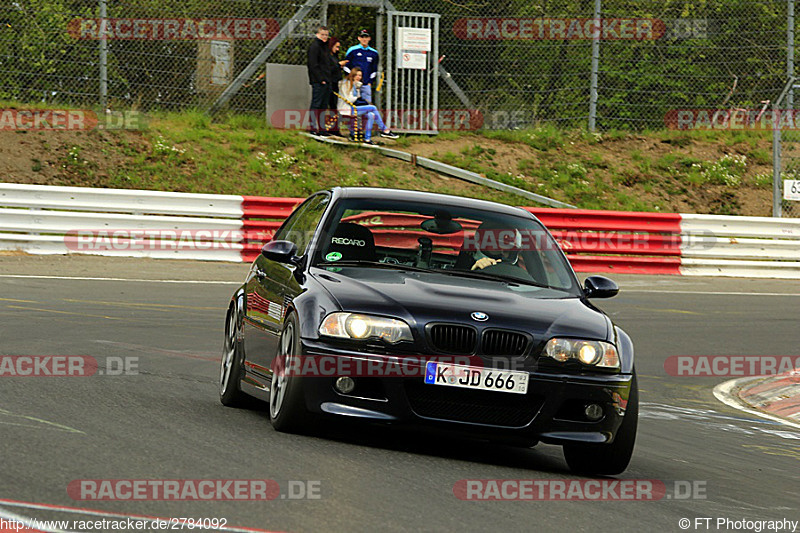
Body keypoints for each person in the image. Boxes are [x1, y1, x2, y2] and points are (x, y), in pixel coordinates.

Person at [338, 67, 398, 144]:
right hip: (346, 108)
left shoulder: (356, 85)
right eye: (357, 75)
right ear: (352, 75)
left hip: (354, 108)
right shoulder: (346, 84)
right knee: (373, 108)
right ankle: (385, 130)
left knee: (371, 115)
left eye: (360, 75)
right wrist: (358, 97)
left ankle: (367, 139)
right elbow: (349, 99)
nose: (358, 77)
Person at [343, 29, 379, 104]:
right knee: (353, 105)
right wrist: (350, 79)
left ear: (369, 38)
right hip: (353, 84)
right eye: (362, 37)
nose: (364, 39)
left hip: (366, 84)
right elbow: (346, 66)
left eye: (366, 37)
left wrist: (369, 82)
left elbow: (374, 70)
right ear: (359, 38)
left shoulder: (374, 53)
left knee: (367, 105)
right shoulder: (352, 50)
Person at [306, 25, 331, 136]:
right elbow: (313, 64)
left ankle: (322, 128)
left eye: (326, 35)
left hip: (327, 80)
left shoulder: (325, 47)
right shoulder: (315, 47)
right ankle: (312, 127)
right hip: (319, 81)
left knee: (323, 105)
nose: (325, 37)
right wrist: (320, 79)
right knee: (316, 104)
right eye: (322, 35)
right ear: (317, 35)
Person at [325, 37, 348, 136]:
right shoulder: (326, 56)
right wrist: (338, 65)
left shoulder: (334, 56)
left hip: (336, 83)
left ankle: (334, 128)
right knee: (329, 105)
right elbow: (328, 68)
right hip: (329, 83)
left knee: (335, 107)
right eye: (336, 47)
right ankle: (326, 127)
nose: (337, 49)